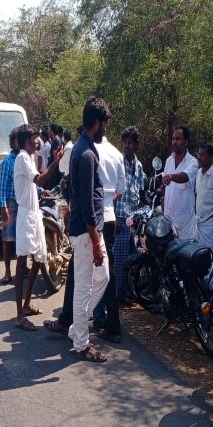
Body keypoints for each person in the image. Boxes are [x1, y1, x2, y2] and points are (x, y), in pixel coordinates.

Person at [67, 97, 112, 363]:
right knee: (84, 287)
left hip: (87, 231)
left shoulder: (85, 149)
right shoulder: (85, 154)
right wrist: (95, 243)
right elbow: (85, 204)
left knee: (102, 278)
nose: (106, 128)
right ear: (97, 122)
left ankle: (77, 328)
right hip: (86, 232)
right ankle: (81, 344)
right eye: (105, 123)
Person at [13, 124, 63, 330]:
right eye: (35, 139)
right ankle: (19, 315)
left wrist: (40, 191)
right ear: (27, 141)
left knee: (39, 258)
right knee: (23, 260)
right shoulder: (22, 157)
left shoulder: (29, 158)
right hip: (26, 215)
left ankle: (25, 305)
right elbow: (39, 177)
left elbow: (34, 182)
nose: (38, 142)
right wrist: (56, 162)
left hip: (34, 214)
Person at [91, 134, 126, 343]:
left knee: (99, 273)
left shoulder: (90, 151)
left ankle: (107, 323)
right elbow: (121, 189)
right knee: (106, 271)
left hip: (95, 218)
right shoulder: (116, 153)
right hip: (110, 216)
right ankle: (105, 321)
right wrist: (109, 198)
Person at [112, 126, 146, 304]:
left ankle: (128, 292)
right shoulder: (117, 162)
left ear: (136, 145)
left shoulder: (138, 166)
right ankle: (119, 295)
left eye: (130, 143)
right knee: (119, 260)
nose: (127, 146)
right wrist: (114, 219)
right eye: (125, 143)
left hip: (133, 220)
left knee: (133, 258)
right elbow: (111, 190)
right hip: (119, 218)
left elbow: (138, 191)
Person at [162, 126, 199, 239]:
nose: (174, 142)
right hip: (168, 222)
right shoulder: (169, 160)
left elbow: (184, 177)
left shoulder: (192, 162)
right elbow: (165, 184)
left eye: (178, 139)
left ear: (186, 142)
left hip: (185, 224)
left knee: (183, 255)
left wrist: (171, 177)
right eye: (173, 139)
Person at [0, 126, 20, 285]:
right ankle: (7, 272)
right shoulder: (8, 161)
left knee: (22, 240)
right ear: (13, 143)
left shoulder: (26, 159)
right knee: (7, 239)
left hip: (23, 204)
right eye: (17, 140)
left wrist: (41, 190)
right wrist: (3, 206)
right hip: (11, 204)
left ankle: (22, 268)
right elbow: (2, 186)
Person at [46, 123, 64, 188]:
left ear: (51, 131)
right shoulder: (58, 139)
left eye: (49, 130)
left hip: (54, 172)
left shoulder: (55, 141)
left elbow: (55, 158)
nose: (48, 132)